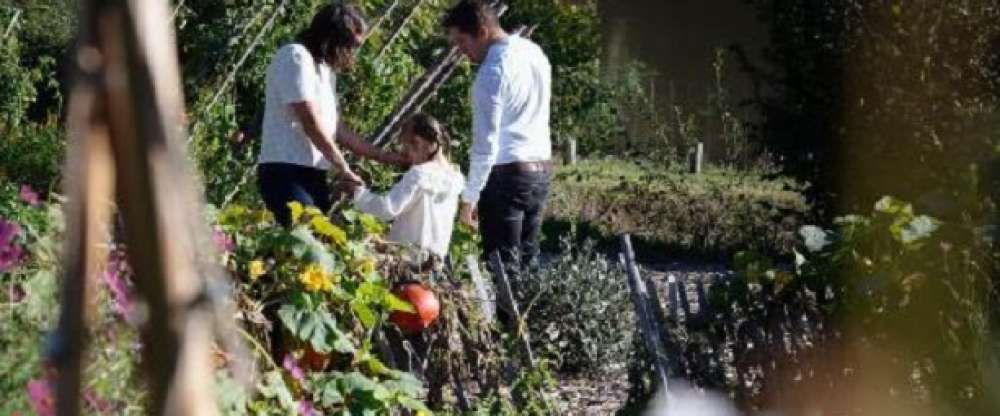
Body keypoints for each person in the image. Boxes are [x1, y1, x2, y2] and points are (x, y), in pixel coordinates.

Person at [442, 1, 553, 272]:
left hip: (507, 176)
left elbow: (485, 146)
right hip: (540, 172)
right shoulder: (534, 52)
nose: (461, 51)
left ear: (482, 31)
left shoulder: (491, 73)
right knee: (528, 268)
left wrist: (469, 198)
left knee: (503, 271)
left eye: (462, 41)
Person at [257, 3, 369, 226]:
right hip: (286, 170)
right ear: (331, 37)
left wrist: (388, 157)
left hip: (314, 173)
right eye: (350, 45)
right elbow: (310, 122)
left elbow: (336, 129)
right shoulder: (295, 57)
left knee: (314, 237)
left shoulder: (326, 71)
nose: (351, 53)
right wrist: (343, 168)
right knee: (305, 234)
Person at [348, 113, 465, 261]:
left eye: (408, 145)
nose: (405, 153)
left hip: (407, 260)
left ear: (421, 143)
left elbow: (388, 209)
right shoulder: (455, 178)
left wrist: (357, 192)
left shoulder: (420, 174)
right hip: (434, 262)